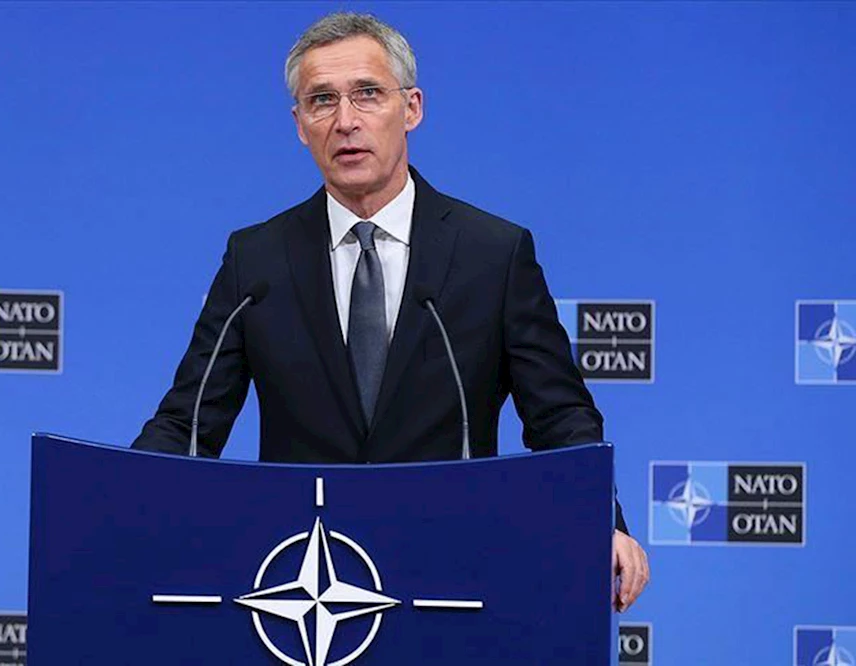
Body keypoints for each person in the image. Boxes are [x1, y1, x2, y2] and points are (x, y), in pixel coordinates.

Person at [132, 11, 649, 611]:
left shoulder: (493, 254)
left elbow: (560, 417)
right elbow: (189, 423)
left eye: (367, 94)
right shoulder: (258, 259)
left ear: (412, 108)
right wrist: (119, 507)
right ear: (299, 125)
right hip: (300, 584)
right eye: (321, 100)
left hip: (450, 574)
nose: (345, 121)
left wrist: (600, 521)